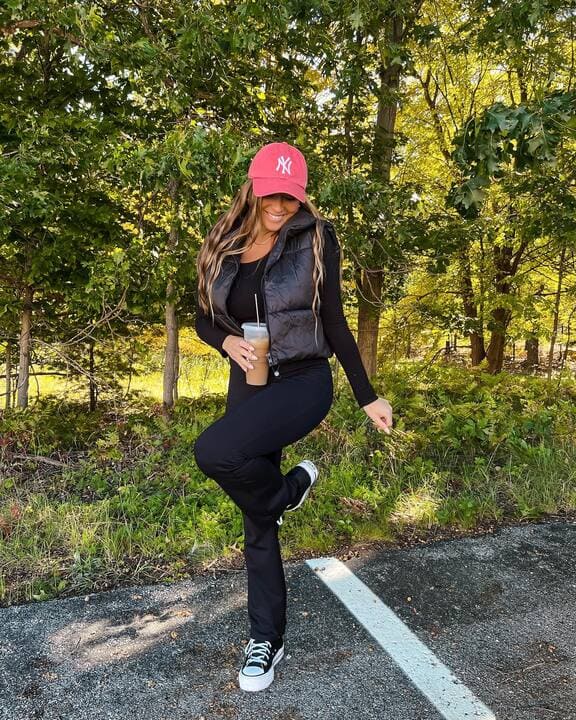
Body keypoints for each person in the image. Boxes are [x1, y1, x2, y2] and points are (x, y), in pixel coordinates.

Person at [193, 141, 393, 692]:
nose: (280, 207)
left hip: (304, 378)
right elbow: (203, 316)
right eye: (271, 196)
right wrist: (226, 344)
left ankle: (285, 491)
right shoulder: (225, 239)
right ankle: (268, 640)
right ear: (252, 188)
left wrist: (366, 395)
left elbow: (334, 318)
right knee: (256, 518)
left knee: (214, 452)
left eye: (291, 197)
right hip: (249, 378)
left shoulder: (316, 238)